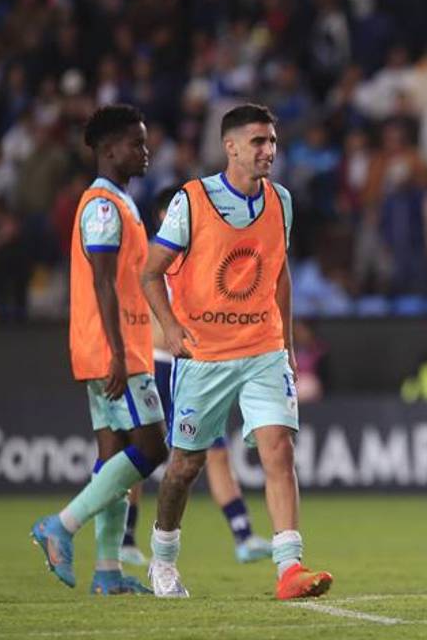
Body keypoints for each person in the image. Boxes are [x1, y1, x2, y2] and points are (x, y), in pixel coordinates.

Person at [140, 103, 332, 600]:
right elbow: (150, 270)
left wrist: (287, 343)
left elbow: (280, 271)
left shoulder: (281, 201)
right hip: (205, 355)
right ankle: (162, 557)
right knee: (185, 465)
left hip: (263, 347)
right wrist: (171, 326)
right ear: (230, 148)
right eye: (258, 142)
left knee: (278, 448)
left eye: (272, 141)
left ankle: (289, 568)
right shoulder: (192, 200)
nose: (268, 150)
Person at [31, 105, 168, 595]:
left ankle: (107, 571)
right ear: (109, 150)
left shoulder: (120, 202)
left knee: (113, 453)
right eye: (136, 143)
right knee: (153, 448)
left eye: (145, 142)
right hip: (116, 350)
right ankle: (61, 526)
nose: (145, 151)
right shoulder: (104, 207)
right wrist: (115, 352)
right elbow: (103, 283)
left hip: (115, 346)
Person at [119, 187, 274, 567]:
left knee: (211, 453)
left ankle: (243, 535)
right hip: (153, 363)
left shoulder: (199, 254)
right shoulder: (149, 257)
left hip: (191, 365)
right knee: (143, 452)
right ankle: (124, 537)